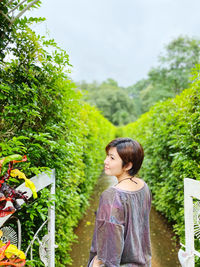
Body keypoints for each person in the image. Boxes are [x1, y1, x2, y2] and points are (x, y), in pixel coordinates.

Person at [87, 137, 151, 267]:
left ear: (128, 165)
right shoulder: (143, 186)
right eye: (107, 156)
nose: (105, 161)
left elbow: (108, 254)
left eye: (112, 158)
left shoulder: (111, 196)